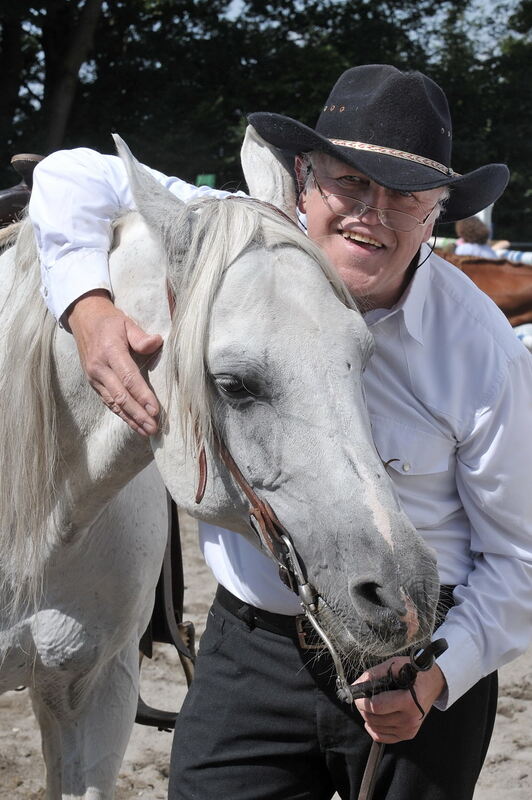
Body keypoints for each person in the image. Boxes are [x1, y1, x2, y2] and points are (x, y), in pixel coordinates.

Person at [28, 64, 532, 800]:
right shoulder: (243, 239)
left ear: (439, 212)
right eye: (350, 182)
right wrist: (89, 307)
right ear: (304, 179)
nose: (372, 212)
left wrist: (437, 678)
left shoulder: (481, 351)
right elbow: (73, 174)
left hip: (413, 650)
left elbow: (520, 557)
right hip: (253, 649)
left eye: (405, 195)